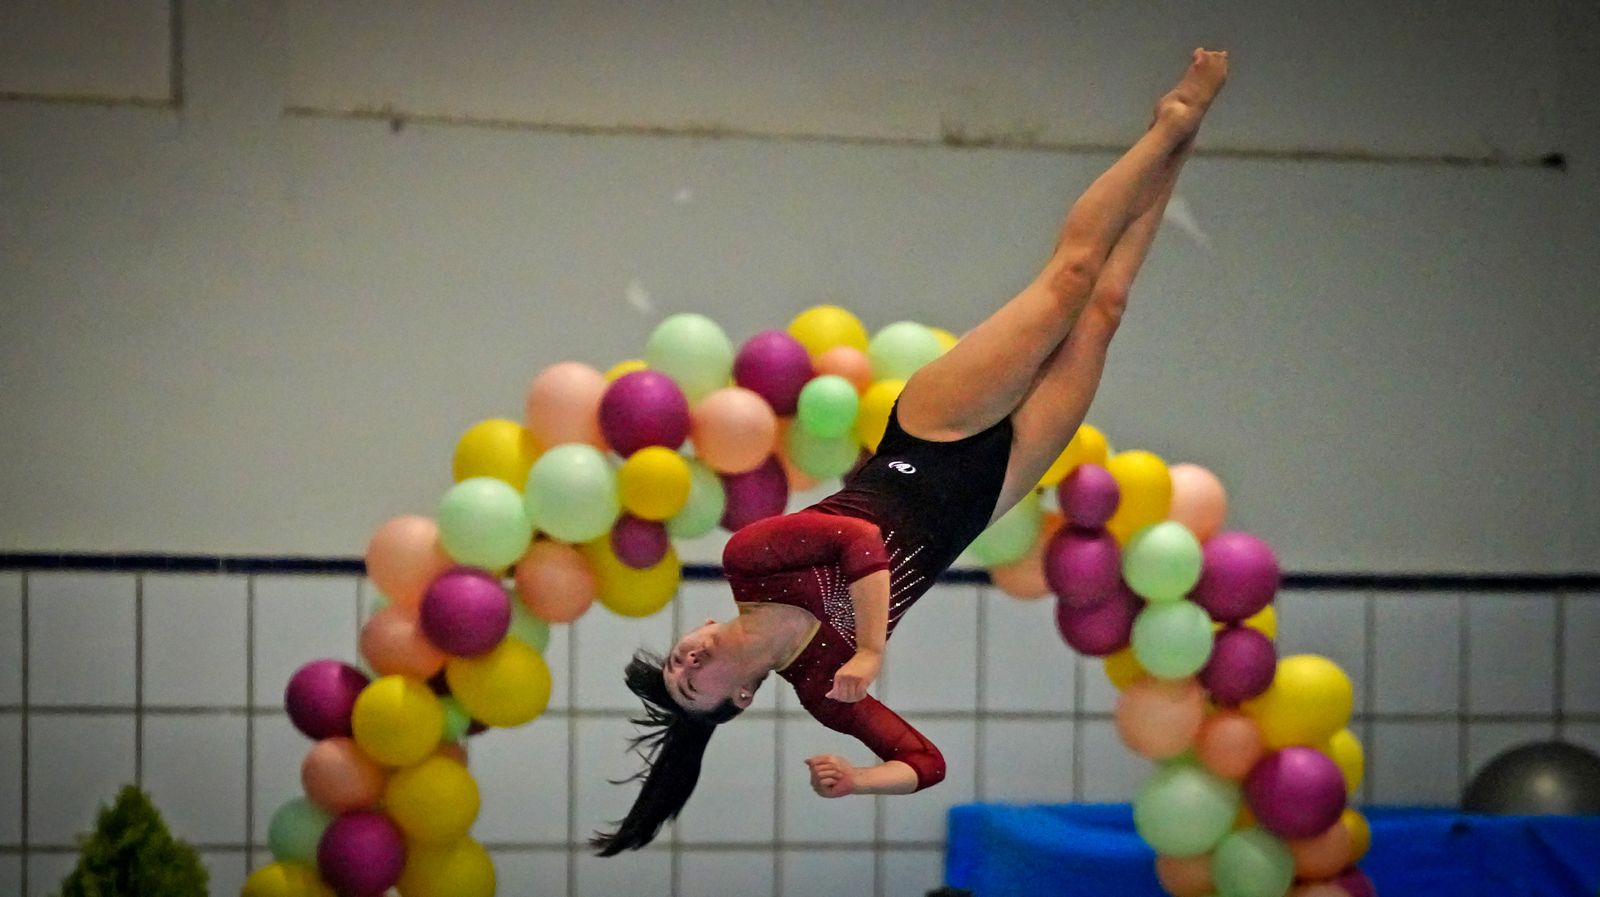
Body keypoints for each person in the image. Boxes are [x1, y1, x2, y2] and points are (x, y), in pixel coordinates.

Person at [592, 48, 1229, 856]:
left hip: (929, 435)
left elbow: (857, 539)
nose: (684, 659)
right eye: (691, 684)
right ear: (742, 695)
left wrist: (869, 647)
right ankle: (1177, 143)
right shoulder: (820, 688)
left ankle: (1170, 121)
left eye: (676, 659)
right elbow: (925, 763)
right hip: (992, 487)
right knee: (1104, 308)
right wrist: (860, 779)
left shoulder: (748, 560)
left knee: (1069, 280)